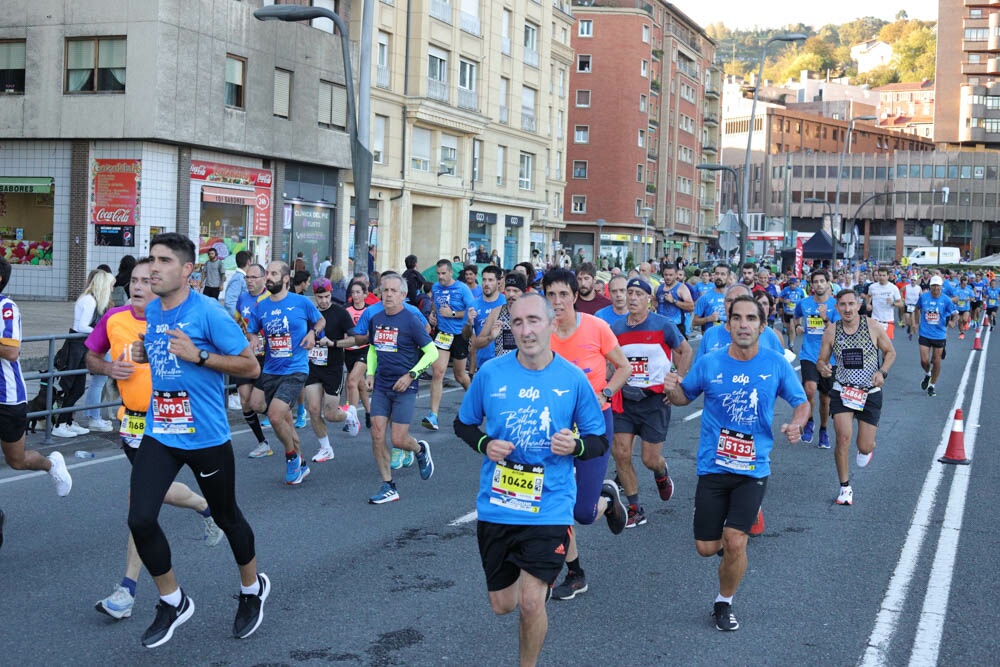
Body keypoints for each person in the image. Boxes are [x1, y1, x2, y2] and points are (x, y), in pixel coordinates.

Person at [126, 233, 268, 648]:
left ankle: (251, 589)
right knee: (140, 518)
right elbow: (164, 355)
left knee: (227, 518)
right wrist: (144, 355)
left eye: (164, 261)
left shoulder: (209, 312)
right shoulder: (152, 310)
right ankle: (173, 601)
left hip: (205, 435)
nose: (153, 268)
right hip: (161, 431)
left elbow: (250, 365)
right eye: (151, 259)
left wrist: (201, 356)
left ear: (187, 270)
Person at [453, 292, 608, 667]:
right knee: (502, 604)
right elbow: (463, 424)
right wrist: (485, 443)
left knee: (530, 602)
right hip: (498, 504)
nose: (526, 330)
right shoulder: (491, 373)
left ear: (552, 323)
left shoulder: (571, 379)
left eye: (534, 321)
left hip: (549, 505)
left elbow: (598, 439)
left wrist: (575, 447)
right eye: (517, 322)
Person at [87, 258, 225, 620]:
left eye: (147, 281)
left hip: (171, 420)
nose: (138, 286)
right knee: (148, 498)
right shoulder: (113, 318)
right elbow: (91, 355)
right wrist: (107, 368)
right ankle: (205, 507)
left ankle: (126, 590)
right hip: (132, 423)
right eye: (133, 280)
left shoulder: (175, 318)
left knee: (140, 504)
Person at [662, 295, 809, 632]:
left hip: (753, 468)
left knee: (735, 540)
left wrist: (798, 423)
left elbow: (800, 402)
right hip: (713, 466)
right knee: (706, 547)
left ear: (761, 325)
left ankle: (723, 602)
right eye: (737, 318)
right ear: (727, 325)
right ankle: (732, 558)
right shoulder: (711, 361)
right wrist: (672, 390)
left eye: (751, 319)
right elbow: (686, 396)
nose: (744, 324)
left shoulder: (774, 363)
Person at [541, 269, 630, 600]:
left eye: (564, 294)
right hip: (555, 429)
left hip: (594, 425)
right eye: (551, 295)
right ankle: (575, 573)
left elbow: (624, 367)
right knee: (556, 503)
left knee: (582, 512)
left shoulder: (597, 328)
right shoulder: (542, 333)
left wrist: (605, 394)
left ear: (575, 296)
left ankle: (606, 502)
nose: (558, 301)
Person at [610, 278, 692, 528]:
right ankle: (634, 507)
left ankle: (661, 472)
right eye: (629, 292)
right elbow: (608, 360)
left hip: (655, 401)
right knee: (621, 453)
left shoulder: (663, 325)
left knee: (649, 459)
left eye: (638, 293)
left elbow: (685, 351)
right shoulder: (615, 329)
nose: (632, 297)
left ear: (649, 300)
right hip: (625, 399)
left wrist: (678, 379)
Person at [245, 261, 326, 483]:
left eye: (273, 273)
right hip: (271, 369)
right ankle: (300, 461)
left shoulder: (300, 302)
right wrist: (252, 341)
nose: (268, 277)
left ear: (285, 279)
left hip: (296, 368)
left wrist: (313, 334)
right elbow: (251, 330)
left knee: (274, 415)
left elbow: (320, 320)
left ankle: (291, 458)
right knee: (277, 416)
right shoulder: (261, 306)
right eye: (267, 274)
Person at [0, 257, 73, 503]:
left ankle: (51, 465)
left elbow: (11, 351)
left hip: (6, 398)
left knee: (17, 461)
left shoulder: (6, 307)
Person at [816, 289, 895, 507]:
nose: (847, 309)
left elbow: (890, 352)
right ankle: (844, 487)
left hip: (869, 392)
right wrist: (823, 368)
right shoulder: (832, 331)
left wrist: (882, 372)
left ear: (859, 304)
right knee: (842, 437)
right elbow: (821, 360)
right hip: (843, 391)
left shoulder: (873, 326)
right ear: (837, 307)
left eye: (851, 303)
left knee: (865, 446)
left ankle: (866, 449)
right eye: (843, 304)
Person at [364, 274, 438, 503]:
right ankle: (388, 485)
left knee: (397, 439)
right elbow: (374, 349)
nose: (388, 294)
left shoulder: (411, 320)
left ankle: (419, 450)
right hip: (382, 385)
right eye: (385, 290)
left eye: (393, 291)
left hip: (405, 385)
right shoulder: (376, 319)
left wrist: (411, 375)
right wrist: (369, 372)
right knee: (377, 433)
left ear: (403, 296)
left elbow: (432, 353)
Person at [53, 270, 115, 437]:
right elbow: (81, 326)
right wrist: (100, 332)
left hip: (82, 344)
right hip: (76, 345)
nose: (112, 289)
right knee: (71, 385)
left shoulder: (91, 300)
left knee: (78, 387)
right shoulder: (89, 300)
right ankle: (60, 424)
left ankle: (67, 421)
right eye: (110, 285)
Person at [304, 279, 358, 463]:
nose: (324, 301)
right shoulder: (308, 312)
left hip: (333, 367)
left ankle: (349, 415)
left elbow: (354, 339)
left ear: (331, 293)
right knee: (312, 409)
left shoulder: (340, 313)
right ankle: (326, 448)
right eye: (320, 297)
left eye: (327, 296)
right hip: (313, 367)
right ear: (314, 296)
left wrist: (333, 343)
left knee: (330, 414)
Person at [423, 259, 475, 431]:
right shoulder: (436, 288)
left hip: (460, 335)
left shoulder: (462, 289)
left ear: (451, 272)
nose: (440, 277)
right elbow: (435, 304)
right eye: (438, 274)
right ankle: (433, 416)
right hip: (443, 334)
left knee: (460, 375)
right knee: (438, 371)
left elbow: (472, 310)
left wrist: (453, 313)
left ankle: (476, 399)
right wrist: (432, 315)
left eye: (444, 273)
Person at [794, 270, 840, 449]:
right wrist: (797, 325)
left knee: (825, 398)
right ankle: (810, 421)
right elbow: (795, 316)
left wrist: (824, 318)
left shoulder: (835, 305)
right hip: (808, 354)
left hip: (830, 358)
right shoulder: (804, 304)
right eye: (816, 282)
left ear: (828, 283)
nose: (819, 284)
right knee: (809, 389)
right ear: (811, 285)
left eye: (822, 281)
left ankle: (823, 430)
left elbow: (835, 331)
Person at [234, 264, 274, 458]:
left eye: (253, 277)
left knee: (257, 403)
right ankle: (262, 442)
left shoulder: (271, 298)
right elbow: (237, 321)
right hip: (244, 355)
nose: (249, 281)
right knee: (244, 400)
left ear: (264, 278)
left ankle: (279, 415)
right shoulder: (242, 298)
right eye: (247, 277)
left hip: (266, 357)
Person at [916, 276, 958, 397]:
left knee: (936, 360)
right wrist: (915, 322)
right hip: (924, 332)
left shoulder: (946, 300)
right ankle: (928, 373)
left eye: (937, 286)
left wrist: (953, 322)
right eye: (933, 286)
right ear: (930, 287)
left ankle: (932, 385)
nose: (935, 288)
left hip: (939, 334)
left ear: (941, 287)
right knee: (924, 360)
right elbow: (916, 308)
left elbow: (955, 313)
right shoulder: (923, 297)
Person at [465, 265, 506, 376]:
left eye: (490, 280)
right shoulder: (474, 304)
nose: (486, 283)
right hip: (482, 362)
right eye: (484, 280)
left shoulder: (505, 303)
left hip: (502, 361)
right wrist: (469, 323)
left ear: (498, 282)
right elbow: (466, 336)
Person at [476, 272, 527, 361]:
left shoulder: (530, 313)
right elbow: (477, 343)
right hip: (502, 367)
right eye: (508, 290)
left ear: (523, 293)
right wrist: (490, 337)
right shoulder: (496, 312)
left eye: (515, 291)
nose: (511, 294)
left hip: (524, 368)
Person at [655, 263, 694, 337]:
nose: (668, 277)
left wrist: (674, 301)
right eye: (666, 275)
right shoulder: (658, 288)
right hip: (661, 327)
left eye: (670, 275)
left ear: (676, 275)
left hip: (676, 327)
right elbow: (656, 304)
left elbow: (691, 307)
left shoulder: (682, 288)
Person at [865, 267, 903, 340]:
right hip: (875, 320)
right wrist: (868, 304)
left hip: (888, 321)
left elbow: (900, 304)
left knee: (886, 347)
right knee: (874, 345)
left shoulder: (893, 288)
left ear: (888, 276)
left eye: (884, 275)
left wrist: (893, 303)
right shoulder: (872, 287)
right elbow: (868, 296)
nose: (882, 277)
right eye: (880, 275)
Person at [692, 264, 730, 332]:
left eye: (722, 274)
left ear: (728, 277)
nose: (719, 277)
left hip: (730, 337)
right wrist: (709, 319)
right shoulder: (705, 297)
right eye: (717, 274)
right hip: (712, 338)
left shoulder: (734, 296)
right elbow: (694, 322)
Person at [223, 250, 250, 318]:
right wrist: (238, 317)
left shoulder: (241, 277)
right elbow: (230, 301)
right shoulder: (239, 278)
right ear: (248, 262)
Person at [953, 274, 975, 340]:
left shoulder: (969, 289)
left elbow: (973, 298)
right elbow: (953, 297)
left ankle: (966, 323)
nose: (965, 285)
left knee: (965, 319)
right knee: (960, 321)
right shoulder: (956, 289)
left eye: (966, 283)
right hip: (958, 308)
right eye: (963, 284)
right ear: (961, 283)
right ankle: (961, 333)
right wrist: (955, 300)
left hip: (966, 308)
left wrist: (969, 299)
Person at [903, 274, 922, 340]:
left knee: (913, 320)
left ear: (916, 281)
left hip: (915, 306)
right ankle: (909, 326)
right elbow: (900, 291)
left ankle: (911, 333)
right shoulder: (907, 286)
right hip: (907, 305)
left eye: (914, 280)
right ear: (910, 280)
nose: (913, 281)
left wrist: (921, 303)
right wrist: (902, 298)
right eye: (912, 280)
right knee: (907, 319)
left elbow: (921, 296)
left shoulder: (918, 288)